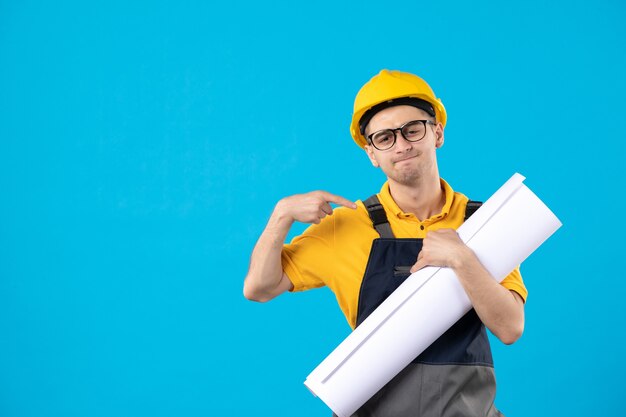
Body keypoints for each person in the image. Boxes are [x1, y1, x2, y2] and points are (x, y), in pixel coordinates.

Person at [243, 69, 526, 417]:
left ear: (436, 132)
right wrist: (280, 216)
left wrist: (461, 259)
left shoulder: (482, 223)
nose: (402, 145)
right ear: (371, 153)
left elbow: (510, 327)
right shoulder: (345, 226)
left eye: (412, 129)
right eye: (384, 138)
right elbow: (258, 287)